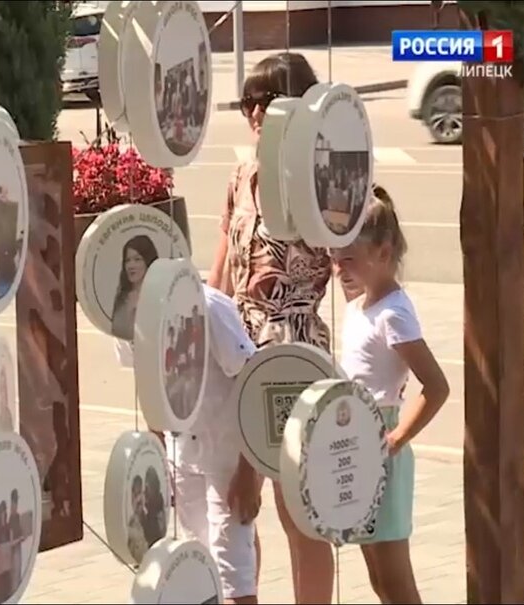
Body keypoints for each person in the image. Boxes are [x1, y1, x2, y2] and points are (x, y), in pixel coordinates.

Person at [206, 51, 337, 603]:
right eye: (249, 102)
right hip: (238, 350)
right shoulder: (241, 177)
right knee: (236, 506)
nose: (257, 113)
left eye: (269, 100)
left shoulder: (318, 183)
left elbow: (350, 256)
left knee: (299, 511)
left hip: (294, 355)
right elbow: (220, 273)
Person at [331, 186, 450, 604]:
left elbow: (436, 386)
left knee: (396, 580)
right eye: (335, 257)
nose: (338, 268)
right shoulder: (360, 305)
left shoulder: (394, 314)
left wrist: (397, 438)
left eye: (348, 259)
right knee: (379, 577)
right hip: (356, 442)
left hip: (381, 445)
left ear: (383, 253)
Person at [114, 286, 262, 604]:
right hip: (180, 453)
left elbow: (252, 378)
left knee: (233, 572)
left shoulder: (209, 306)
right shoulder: (123, 310)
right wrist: (158, 456)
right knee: (198, 565)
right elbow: (146, 380)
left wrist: (249, 470)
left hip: (228, 454)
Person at [111, 235, 159, 341]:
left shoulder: (159, 297)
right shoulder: (122, 298)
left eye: (137, 259)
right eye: (127, 260)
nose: (131, 266)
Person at [126, 474, 148, 563]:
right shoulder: (129, 524)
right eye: (135, 494)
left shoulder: (151, 520)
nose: (138, 499)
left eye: (140, 493)